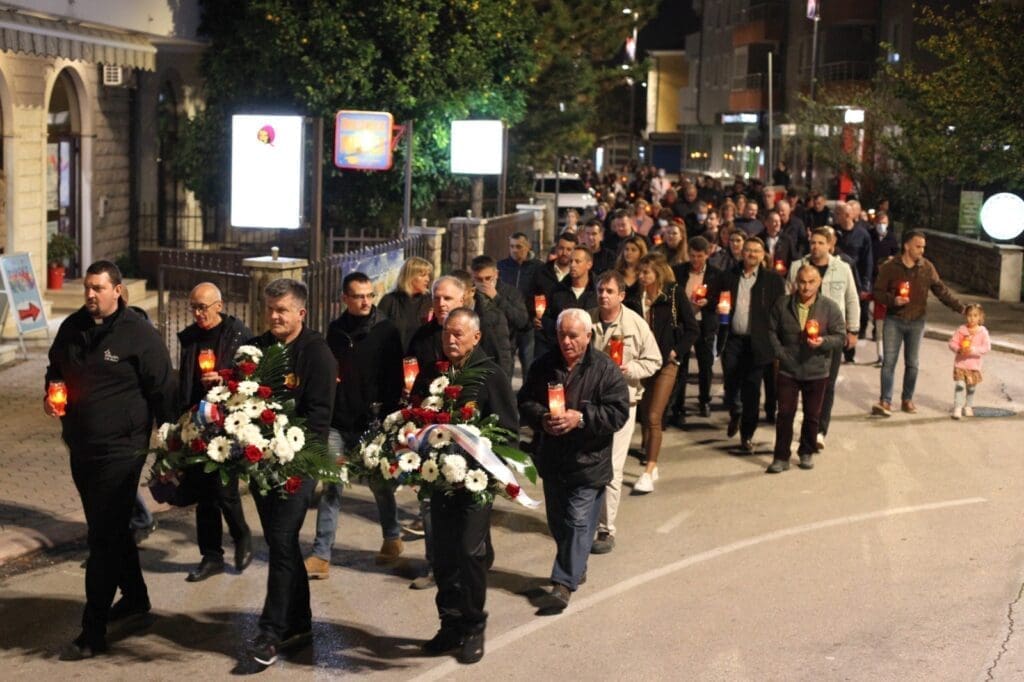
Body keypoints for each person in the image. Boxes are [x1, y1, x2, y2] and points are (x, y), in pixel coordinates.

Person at [45, 261, 176, 661]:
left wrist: (168, 445)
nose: (90, 295)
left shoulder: (139, 335)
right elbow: (55, 370)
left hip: (123, 449)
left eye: (98, 288)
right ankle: (135, 599)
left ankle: (92, 630)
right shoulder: (71, 329)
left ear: (117, 291)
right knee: (112, 530)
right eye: (87, 287)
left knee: (102, 538)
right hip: (82, 446)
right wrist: (51, 395)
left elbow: (164, 390)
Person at [416, 309, 518, 664]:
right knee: (442, 554)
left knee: (469, 552)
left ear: (476, 337)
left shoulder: (491, 375)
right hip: (438, 479)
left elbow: (508, 431)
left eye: (459, 334)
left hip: (476, 482)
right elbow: (416, 415)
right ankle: (450, 623)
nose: (451, 340)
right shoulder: (432, 371)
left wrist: (493, 469)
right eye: (447, 334)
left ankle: (475, 624)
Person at [246, 278, 337, 666]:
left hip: (298, 463)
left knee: (282, 541)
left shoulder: (317, 354)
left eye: (282, 310)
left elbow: (318, 419)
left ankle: (271, 632)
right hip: (260, 463)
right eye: (270, 309)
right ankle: (299, 623)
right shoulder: (258, 349)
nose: (274, 316)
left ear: (301, 312)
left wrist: (289, 455)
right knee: (281, 544)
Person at [519, 309, 629, 612]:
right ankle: (575, 565)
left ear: (588, 336)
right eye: (561, 335)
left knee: (578, 521)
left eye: (573, 336)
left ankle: (563, 583)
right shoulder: (544, 366)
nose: (566, 341)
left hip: (589, 460)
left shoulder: (605, 369)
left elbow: (619, 413)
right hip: (554, 460)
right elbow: (525, 401)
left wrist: (580, 418)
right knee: (559, 524)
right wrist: (542, 418)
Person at [305, 272, 405, 580]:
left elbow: (395, 379)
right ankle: (321, 554)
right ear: (345, 299)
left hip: (371, 421)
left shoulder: (387, 330)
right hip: (339, 420)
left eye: (369, 295)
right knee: (331, 484)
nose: (365, 301)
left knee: (379, 482)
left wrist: (386, 419)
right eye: (359, 296)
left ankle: (392, 536)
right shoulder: (335, 331)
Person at [177, 282, 253, 583]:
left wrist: (223, 377)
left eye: (203, 307)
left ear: (218, 306)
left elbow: (249, 376)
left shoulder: (237, 336)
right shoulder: (190, 338)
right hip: (197, 419)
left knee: (224, 489)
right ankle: (211, 556)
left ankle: (241, 535)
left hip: (228, 421)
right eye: (193, 307)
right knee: (203, 493)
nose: (197, 313)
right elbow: (183, 378)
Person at [588, 271, 661, 553]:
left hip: (622, 403)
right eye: (600, 290)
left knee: (613, 468)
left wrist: (629, 370)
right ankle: (586, 519)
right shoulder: (588, 320)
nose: (603, 295)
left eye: (609, 291)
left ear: (621, 295)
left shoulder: (635, 324)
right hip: (591, 403)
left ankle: (607, 529)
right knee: (589, 463)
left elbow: (654, 360)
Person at [871, 231, 965, 416]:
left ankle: (907, 399)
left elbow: (941, 290)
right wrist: (893, 300)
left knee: (912, 363)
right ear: (907, 246)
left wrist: (960, 308)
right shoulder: (891, 267)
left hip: (917, 321)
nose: (921, 250)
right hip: (894, 320)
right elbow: (878, 292)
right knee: (889, 362)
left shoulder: (926, 267)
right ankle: (885, 401)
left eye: (923, 247)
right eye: (918, 246)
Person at [766, 265, 845, 473]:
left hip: (817, 370)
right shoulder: (782, 305)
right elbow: (771, 331)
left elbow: (840, 336)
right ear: (795, 283)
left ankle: (806, 451)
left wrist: (823, 341)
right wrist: (781, 354)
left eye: (811, 282)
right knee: (784, 413)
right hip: (788, 370)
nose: (806, 286)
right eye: (802, 282)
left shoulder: (830, 307)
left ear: (819, 283)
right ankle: (781, 456)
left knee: (812, 414)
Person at [786, 227, 860, 450]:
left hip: (831, 334)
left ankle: (819, 431)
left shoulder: (842, 268)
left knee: (826, 384)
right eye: (813, 242)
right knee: (798, 381)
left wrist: (853, 330)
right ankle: (797, 425)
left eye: (820, 242)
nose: (815, 247)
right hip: (800, 332)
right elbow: (787, 297)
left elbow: (852, 299)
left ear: (830, 245)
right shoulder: (797, 267)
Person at [632, 254, 698, 492]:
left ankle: (649, 469)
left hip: (665, 364)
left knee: (653, 416)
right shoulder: (633, 297)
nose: (641, 277)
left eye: (646, 272)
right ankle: (649, 453)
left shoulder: (673, 294)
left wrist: (675, 352)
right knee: (644, 415)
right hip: (640, 363)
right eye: (640, 272)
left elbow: (693, 329)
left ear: (658, 273)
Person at [721, 238, 786, 453]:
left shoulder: (773, 280)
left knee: (752, 390)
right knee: (730, 381)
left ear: (763, 254)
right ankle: (735, 410)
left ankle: (747, 434)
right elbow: (716, 299)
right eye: (748, 250)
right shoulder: (729, 276)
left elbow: (780, 312)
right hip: (733, 339)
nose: (751, 254)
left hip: (759, 342)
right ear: (742, 253)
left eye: (756, 251)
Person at [669, 236, 725, 422]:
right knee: (681, 366)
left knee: (705, 364)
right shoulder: (679, 271)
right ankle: (678, 406)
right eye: (692, 256)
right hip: (685, 325)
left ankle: (704, 400)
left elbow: (721, 297)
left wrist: (708, 302)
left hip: (705, 323)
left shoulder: (716, 274)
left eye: (699, 256)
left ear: (707, 254)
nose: (695, 260)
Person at [471, 255, 530, 376]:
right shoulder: (470, 294)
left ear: (496, 274)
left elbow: (522, 321)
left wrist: (496, 298)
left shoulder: (511, 293)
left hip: (503, 354)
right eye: (479, 279)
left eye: (488, 278)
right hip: (476, 353)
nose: (484, 283)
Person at [450, 269, 513, 378]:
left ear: (472, 291)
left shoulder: (492, 317)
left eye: (461, 293)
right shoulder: (445, 317)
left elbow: (502, 355)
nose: (457, 298)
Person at [833, 202, 873, 363]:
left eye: (838, 213)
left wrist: (865, 284)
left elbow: (868, 261)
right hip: (837, 280)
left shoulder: (862, 235)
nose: (836, 216)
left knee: (852, 314)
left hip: (855, 281)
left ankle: (849, 351)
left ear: (847, 215)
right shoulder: (834, 232)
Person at [498, 232, 543, 373]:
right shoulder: (501, 267)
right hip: (506, 324)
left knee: (529, 364)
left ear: (528, 246)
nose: (514, 250)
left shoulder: (538, 267)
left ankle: (527, 394)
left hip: (528, 324)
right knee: (505, 366)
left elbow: (543, 293)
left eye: (519, 246)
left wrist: (538, 315)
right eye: (511, 246)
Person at [539, 246, 597, 356]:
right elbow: (547, 318)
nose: (573, 265)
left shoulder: (597, 291)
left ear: (589, 265)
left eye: (577, 261)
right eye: (571, 261)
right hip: (562, 351)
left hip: (591, 352)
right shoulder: (558, 290)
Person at [378, 256, 434, 351]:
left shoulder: (430, 300)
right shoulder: (389, 301)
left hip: (421, 359)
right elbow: (378, 334)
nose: (427, 279)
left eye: (428, 275)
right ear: (410, 276)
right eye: (423, 275)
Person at [948, 304, 991, 419]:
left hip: (974, 366)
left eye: (975, 315)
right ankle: (958, 407)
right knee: (960, 386)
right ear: (965, 316)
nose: (972, 318)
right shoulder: (961, 330)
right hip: (961, 364)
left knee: (971, 387)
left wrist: (973, 350)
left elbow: (987, 348)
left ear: (980, 317)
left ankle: (968, 406)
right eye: (969, 315)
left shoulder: (983, 332)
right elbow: (952, 343)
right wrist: (958, 349)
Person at [614, 234, 648, 304]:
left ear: (641, 253)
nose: (629, 253)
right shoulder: (617, 273)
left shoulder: (645, 273)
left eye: (633, 250)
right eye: (626, 249)